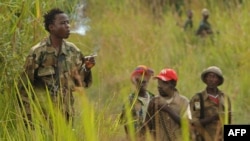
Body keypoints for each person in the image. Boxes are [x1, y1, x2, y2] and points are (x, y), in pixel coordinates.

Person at [17, 8, 95, 128]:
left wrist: (87, 68)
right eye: (63, 23)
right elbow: (24, 87)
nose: (68, 26)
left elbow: (79, 83)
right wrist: (28, 119)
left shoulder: (73, 51)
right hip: (42, 117)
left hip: (66, 116)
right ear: (51, 27)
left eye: (68, 22)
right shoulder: (37, 52)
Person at [143, 68, 191, 141]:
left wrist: (167, 109)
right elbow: (146, 128)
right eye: (159, 82)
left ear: (173, 84)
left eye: (164, 83)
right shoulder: (154, 101)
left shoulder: (184, 102)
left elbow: (188, 125)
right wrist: (150, 109)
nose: (160, 86)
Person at [190, 66, 232, 141]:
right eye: (209, 77)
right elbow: (195, 122)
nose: (211, 79)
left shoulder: (224, 98)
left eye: (214, 77)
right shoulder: (198, 99)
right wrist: (214, 117)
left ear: (218, 80)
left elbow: (229, 120)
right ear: (205, 79)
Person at [120, 65, 155, 140]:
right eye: (139, 81)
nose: (141, 85)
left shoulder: (153, 99)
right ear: (134, 82)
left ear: (148, 82)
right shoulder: (130, 100)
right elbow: (125, 124)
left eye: (144, 82)